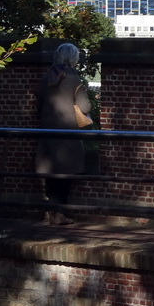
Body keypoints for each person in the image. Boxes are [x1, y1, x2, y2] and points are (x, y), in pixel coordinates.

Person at [35, 42, 91, 225]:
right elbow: (85, 107)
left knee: (51, 176)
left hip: (47, 134)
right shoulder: (74, 80)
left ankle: (50, 213)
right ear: (73, 59)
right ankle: (59, 215)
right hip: (67, 135)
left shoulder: (46, 79)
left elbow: (38, 107)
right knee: (65, 176)